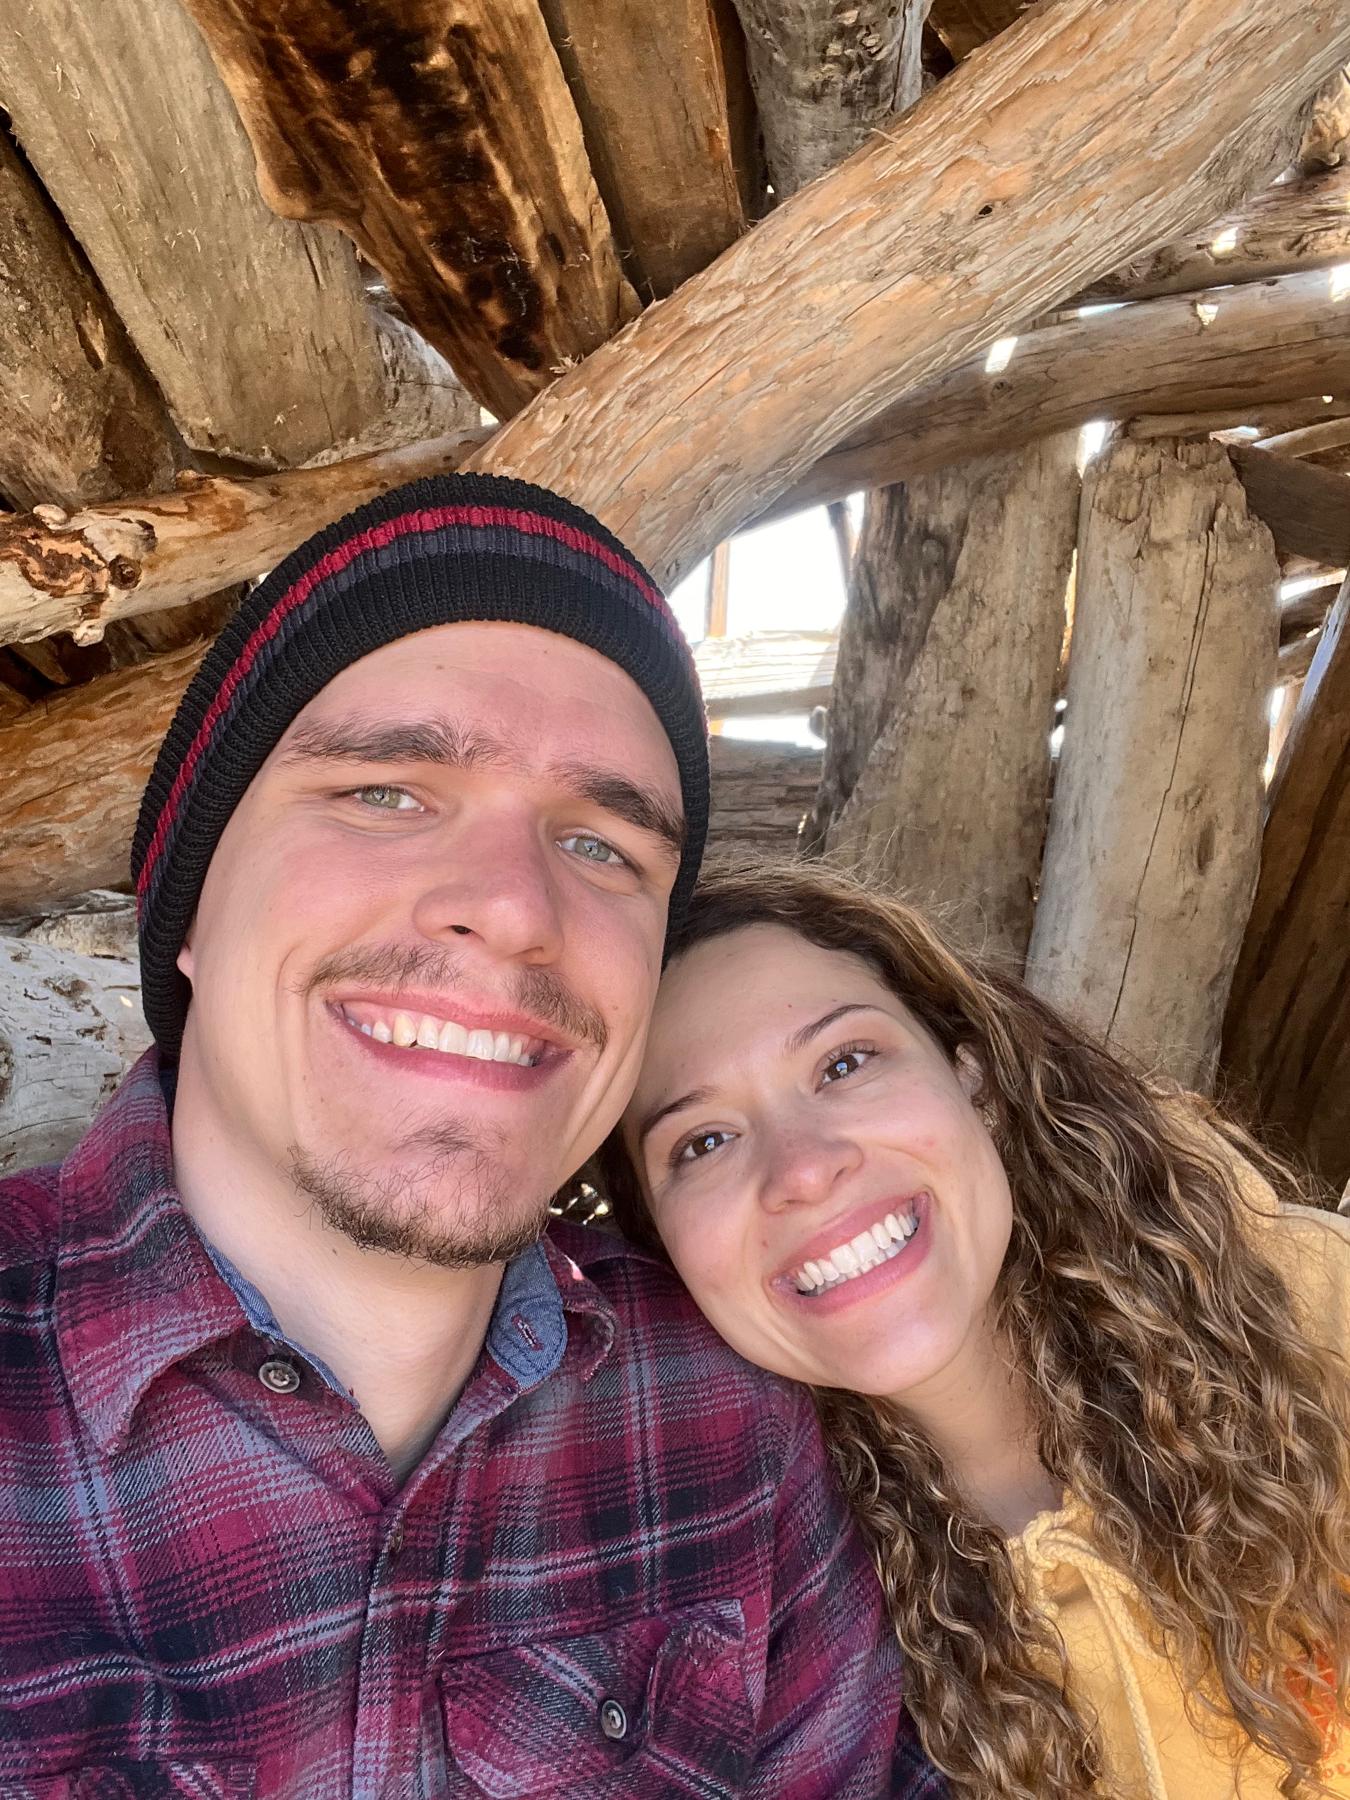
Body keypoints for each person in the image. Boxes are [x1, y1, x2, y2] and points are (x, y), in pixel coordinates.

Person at [0, 478, 942, 1798]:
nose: (513, 909)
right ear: (189, 905)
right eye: (386, 792)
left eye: (602, 846)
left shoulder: (726, 1423)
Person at [604, 858, 1350, 1800]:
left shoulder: (1309, 1313)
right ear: (659, 1245)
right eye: (702, 1142)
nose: (803, 1170)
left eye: (843, 1063)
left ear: (975, 1081)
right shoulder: (781, 1624)